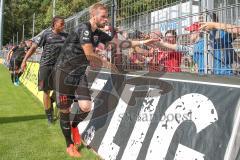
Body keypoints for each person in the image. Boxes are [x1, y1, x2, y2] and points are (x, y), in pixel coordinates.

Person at [54, 3, 157, 157]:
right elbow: (89, 54)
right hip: (63, 72)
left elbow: (120, 43)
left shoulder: (99, 34)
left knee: (86, 106)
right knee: (65, 110)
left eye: (107, 16)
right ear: (93, 15)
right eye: (103, 16)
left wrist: (142, 42)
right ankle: (69, 145)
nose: (106, 19)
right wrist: (108, 64)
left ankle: (74, 125)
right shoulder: (84, 29)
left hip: (79, 73)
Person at [21, 16, 68, 124]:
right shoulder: (46, 34)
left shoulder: (66, 36)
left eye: (64, 23)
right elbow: (33, 48)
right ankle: (49, 115)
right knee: (46, 91)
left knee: (60, 90)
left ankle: (51, 101)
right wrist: (24, 61)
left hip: (59, 67)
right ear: (54, 24)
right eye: (61, 23)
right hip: (45, 66)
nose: (63, 25)